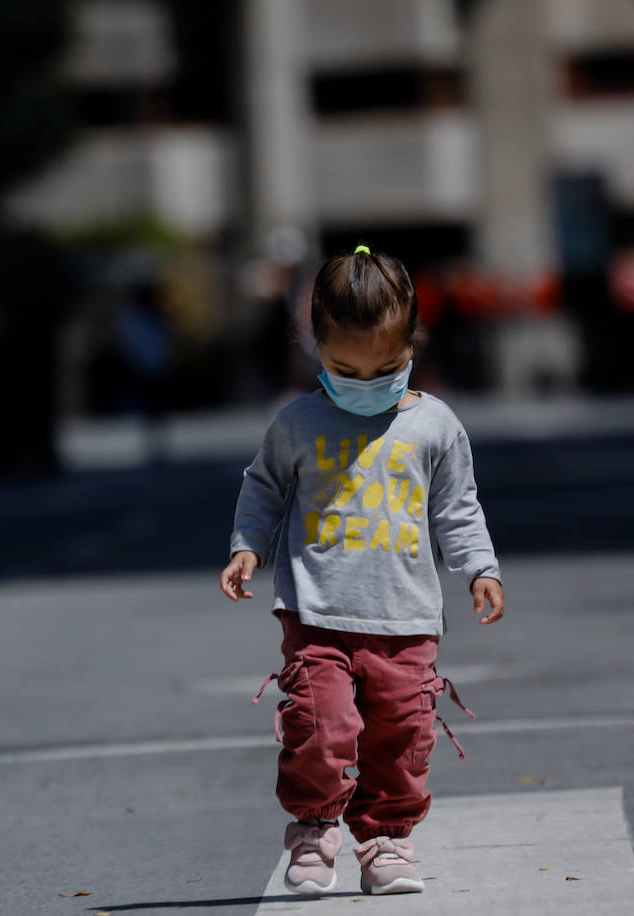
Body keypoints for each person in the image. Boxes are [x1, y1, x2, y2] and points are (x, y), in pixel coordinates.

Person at [219, 245, 504, 896]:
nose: (366, 384)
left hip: (406, 617)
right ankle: (315, 826)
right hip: (317, 611)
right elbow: (263, 489)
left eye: (387, 369)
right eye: (345, 368)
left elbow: (457, 508)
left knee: (401, 736)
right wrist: (248, 546)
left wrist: (479, 567)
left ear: (413, 346)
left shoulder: (434, 426)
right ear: (315, 344)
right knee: (323, 727)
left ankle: (386, 838)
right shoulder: (298, 422)